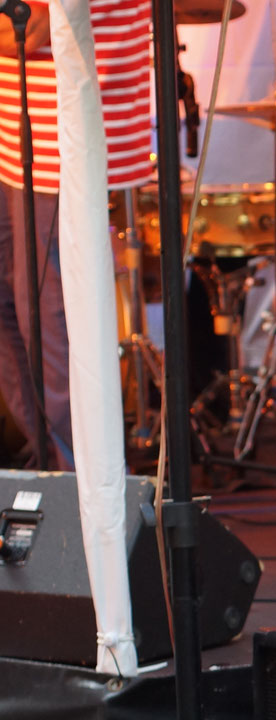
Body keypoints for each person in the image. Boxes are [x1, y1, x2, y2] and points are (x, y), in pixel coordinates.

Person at [0, 0, 153, 468]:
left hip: (56, 137)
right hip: (12, 129)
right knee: (13, 311)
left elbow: (24, 32)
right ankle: (53, 465)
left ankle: (92, 485)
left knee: (49, 321)